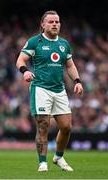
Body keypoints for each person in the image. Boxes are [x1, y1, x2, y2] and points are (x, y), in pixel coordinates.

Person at [16, 10, 83, 172]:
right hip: (40, 88)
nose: (55, 24)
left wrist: (77, 81)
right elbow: (21, 59)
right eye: (51, 22)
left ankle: (58, 157)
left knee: (66, 127)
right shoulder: (35, 42)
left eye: (57, 22)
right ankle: (43, 162)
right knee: (43, 124)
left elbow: (70, 65)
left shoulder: (64, 44)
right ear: (43, 24)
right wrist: (25, 71)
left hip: (59, 89)